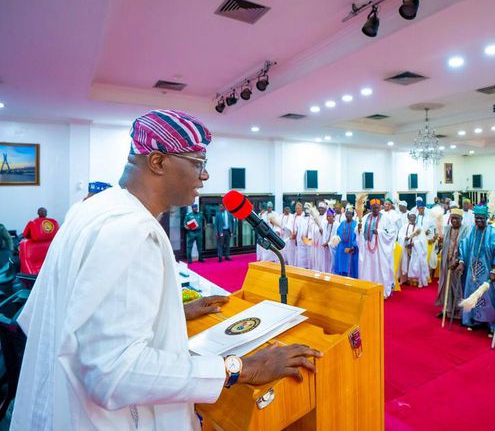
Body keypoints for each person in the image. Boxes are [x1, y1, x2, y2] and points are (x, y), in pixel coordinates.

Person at [11, 110, 320, 430]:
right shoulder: (130, 230)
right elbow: (115, 374)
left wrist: (170, 312)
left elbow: (65, 315)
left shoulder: (91, 209)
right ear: (158, 162)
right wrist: (240, 368)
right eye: (198, 163)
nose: (205, 176)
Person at [460, 206, 495, 334]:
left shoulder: (493, 233)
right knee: (472, 293)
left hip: (488, 271)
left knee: (489, 296)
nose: (479, 220)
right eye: (477, 218)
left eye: (481, 218)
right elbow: (464, 245)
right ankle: (476, 319)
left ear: (487, 218)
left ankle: (491, 323)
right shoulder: (472, 231)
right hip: (473, 271)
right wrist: (462, 261)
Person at [357, 198, 397, 298]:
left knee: (380, 270)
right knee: (367, 269)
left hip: (380, 251)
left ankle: (381, 291)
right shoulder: (365, 217)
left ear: (380, 208)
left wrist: (379, 232)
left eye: (377, 208)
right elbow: (358, 232)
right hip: (367, 251)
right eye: (373, 208)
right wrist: (358, 229)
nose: (375, 210)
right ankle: (368, 290)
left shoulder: (386, 219)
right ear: (370, 208)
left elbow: (392, 233)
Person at [435, 208, 469, 319]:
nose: (454, 220)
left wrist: (458, 261)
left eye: (457, 218)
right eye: (452, 218)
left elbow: (466, 247)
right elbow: (441, 246)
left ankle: (459, 311)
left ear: (461, 219)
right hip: (446, 261)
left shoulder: (466, 230)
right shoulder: (446, 229)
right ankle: (447, 309)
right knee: (446, 285)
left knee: (457, 286)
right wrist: (439, 245)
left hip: (459, 263)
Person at [398, 212, 429, 287]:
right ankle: (404, 279)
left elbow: (423, 240)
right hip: (405, 247)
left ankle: (414, 280)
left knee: (414, 262)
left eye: (414, 217)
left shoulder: (419, 228)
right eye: (411, 217)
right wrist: (404, 238)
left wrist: (414, 244)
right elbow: (400, 236)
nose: (412, 219)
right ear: (408, 218)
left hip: (415, 249)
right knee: (405, 261)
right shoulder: (404, 226)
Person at [334, 206, 359, 278]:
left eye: (350, 214)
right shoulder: (342, 223)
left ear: (353, 215)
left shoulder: (355, 224)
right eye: (347, 213)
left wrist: (354, 245)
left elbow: (357, 235)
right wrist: (336, 239)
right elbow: (338, 233)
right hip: (341, 248)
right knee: (341, 264)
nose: (348, 215)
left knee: (349, 266)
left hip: (351, 248)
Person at [317, 209, 339, 273]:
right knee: (325, 263)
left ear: (333, 216)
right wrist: (322, 233)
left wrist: (329, 244)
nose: (328, 218)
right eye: (327, 216)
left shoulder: (337, 225)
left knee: (332, 264)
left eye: (329, 216)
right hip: (325, 248)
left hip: (333, 249)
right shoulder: (325, 224)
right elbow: (324, 235)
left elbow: (337, 238)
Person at [293, 202, 313, 269]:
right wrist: (297, 239)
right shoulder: (302, 218)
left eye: (308, 209)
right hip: (300, 242)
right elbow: (298, 230)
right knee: (300, 261)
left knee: (308, 260)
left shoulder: (312, 218)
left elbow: (311, 230)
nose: (306, 210)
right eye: (305, 209)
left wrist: (308, 238)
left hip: (308, 242)